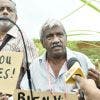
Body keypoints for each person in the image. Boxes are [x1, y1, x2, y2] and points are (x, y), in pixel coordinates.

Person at [20, 19, 95, 93]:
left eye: (59, 35)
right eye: (50, 36)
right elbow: (24, 93)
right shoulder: (35, 66)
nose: (56, 40)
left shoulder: (82, 60)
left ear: (66, 38)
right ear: (42, 43)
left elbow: (94, 91)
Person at [0, 0, 38, 98]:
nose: (5, 12)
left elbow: (34, 76)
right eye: (1, 9)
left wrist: (13, 97)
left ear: (16, 18)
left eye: (9, 10)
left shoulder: (25, 41)